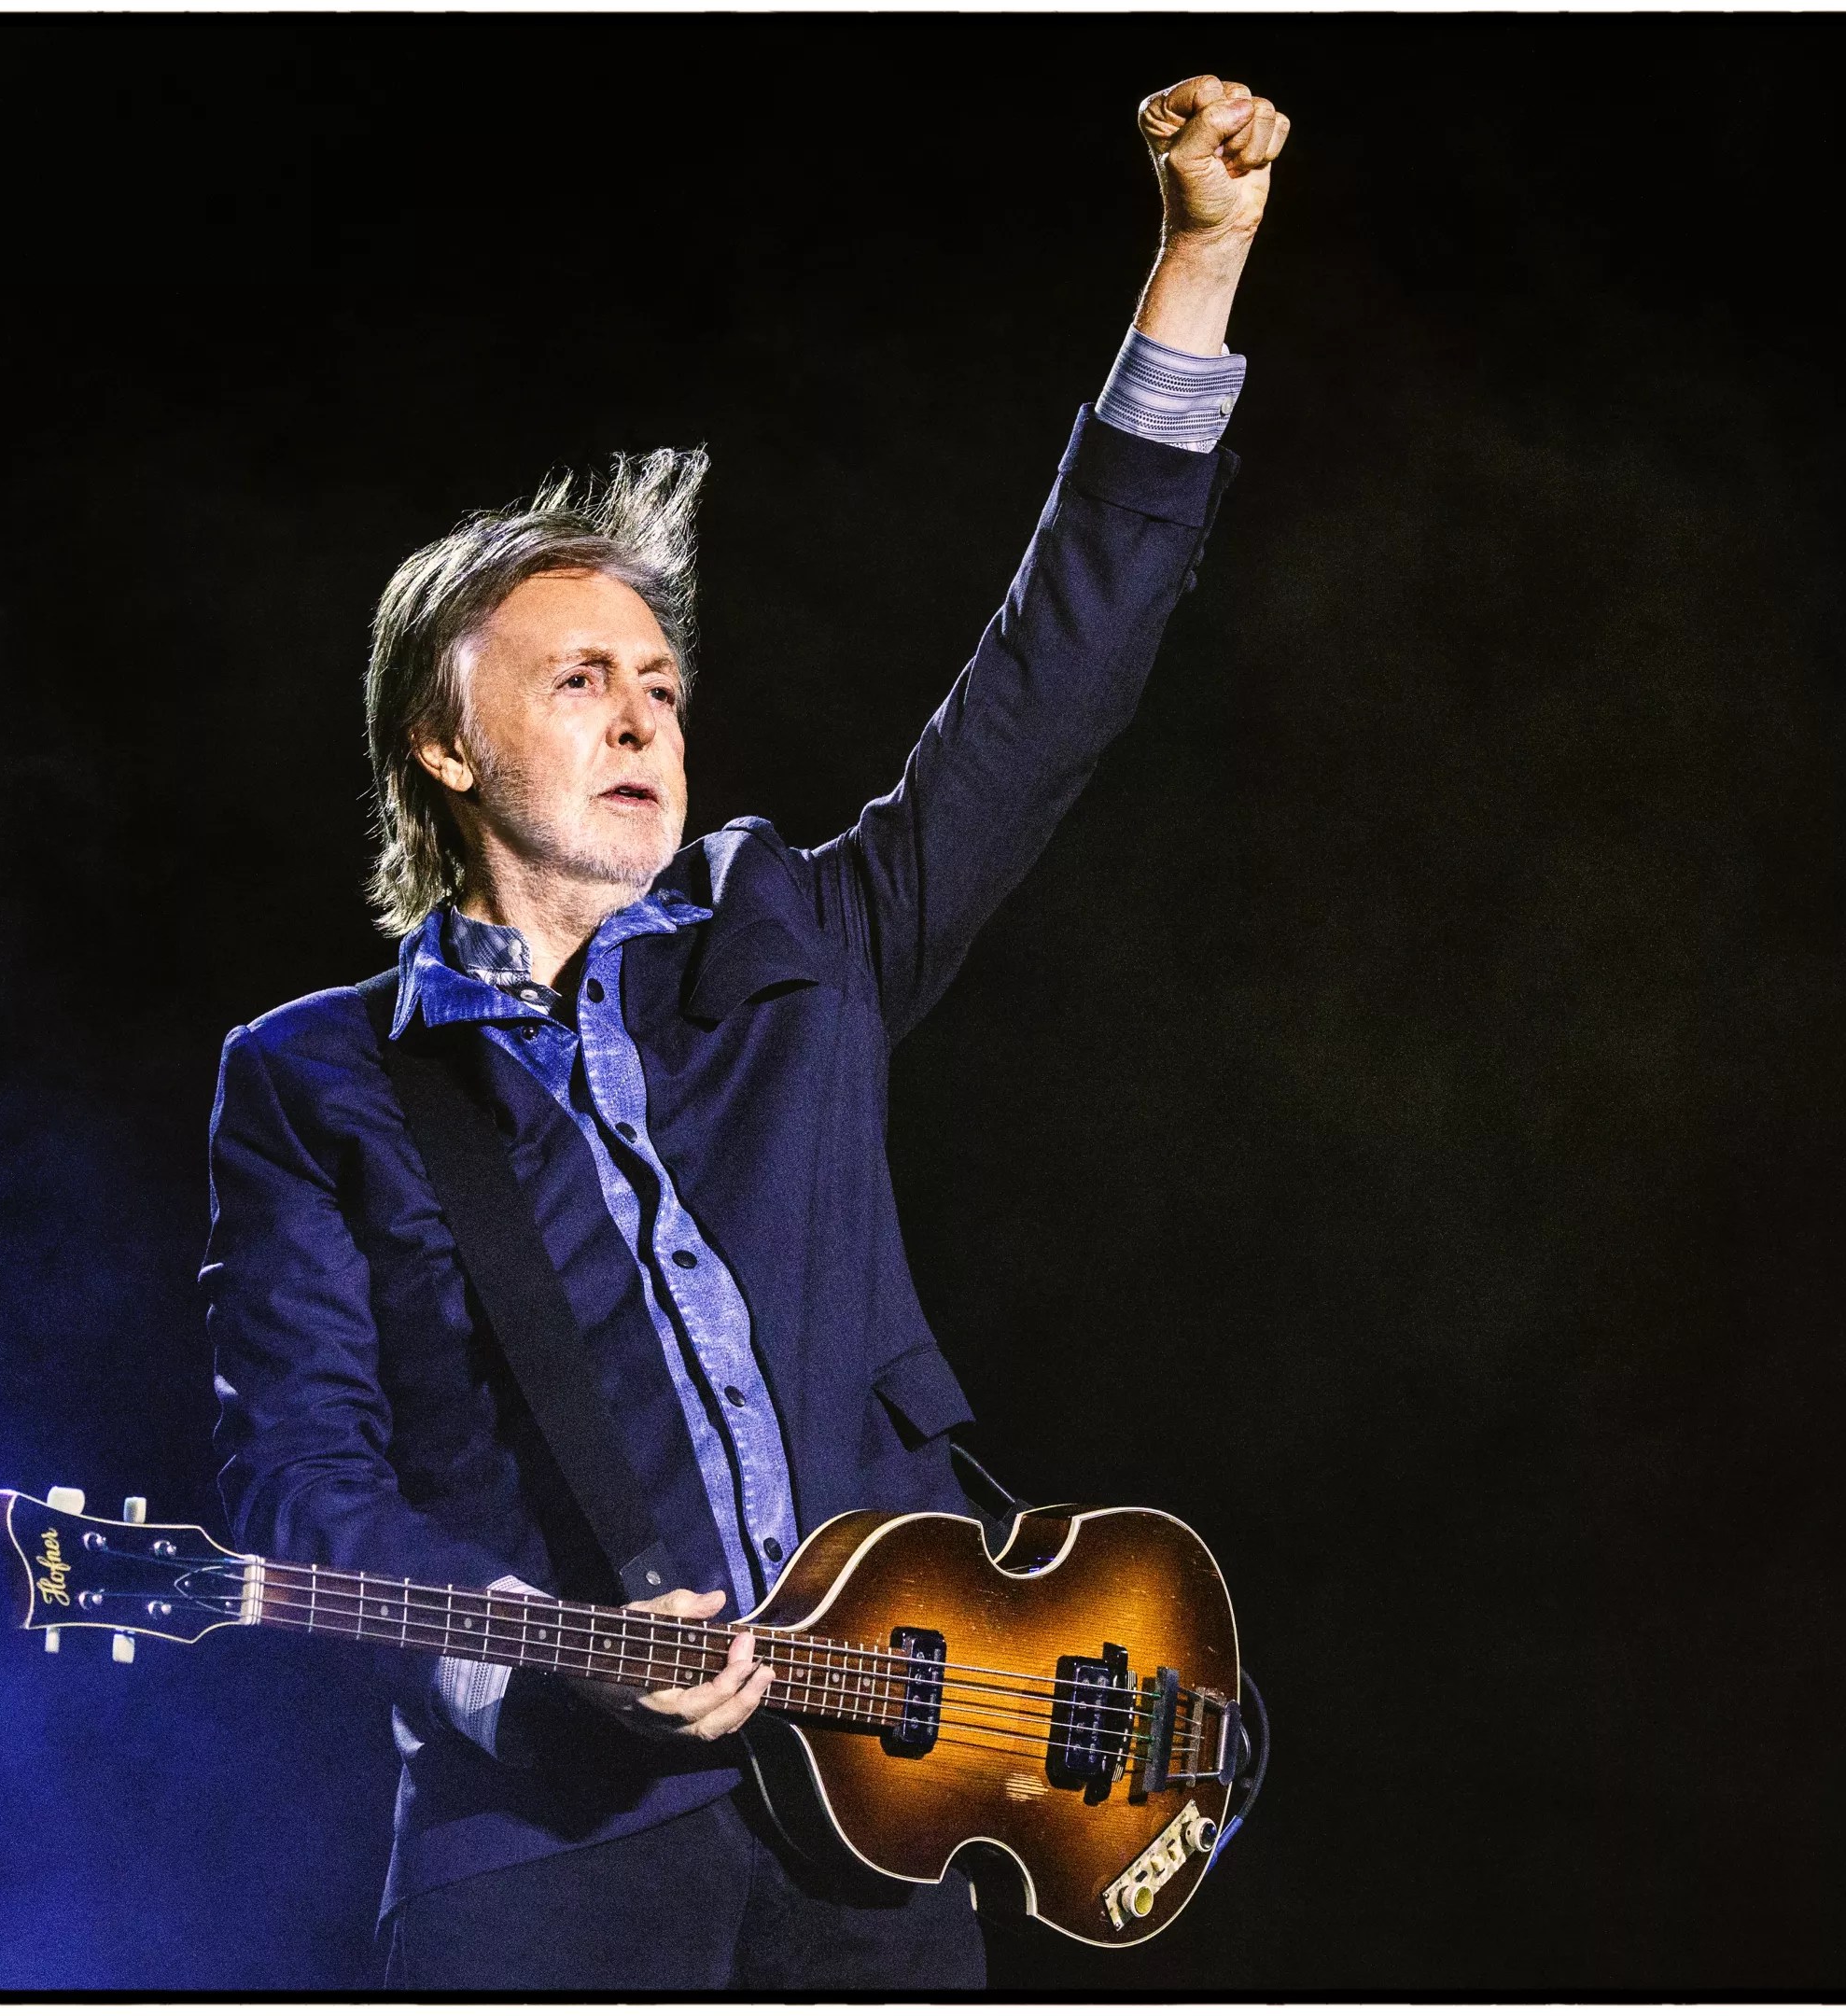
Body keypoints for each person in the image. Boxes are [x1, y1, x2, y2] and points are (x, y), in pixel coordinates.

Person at [202, 74, 1289, 1992]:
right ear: (441, 745)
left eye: (659, 682)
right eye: (578, 681)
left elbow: (1049, 688)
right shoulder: (319, 1080)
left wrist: (1195, 266)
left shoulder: (799, 936)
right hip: (551, 1852)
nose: (644, 716)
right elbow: (300, 1478)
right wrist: (543, 1652)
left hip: (887, 1837)